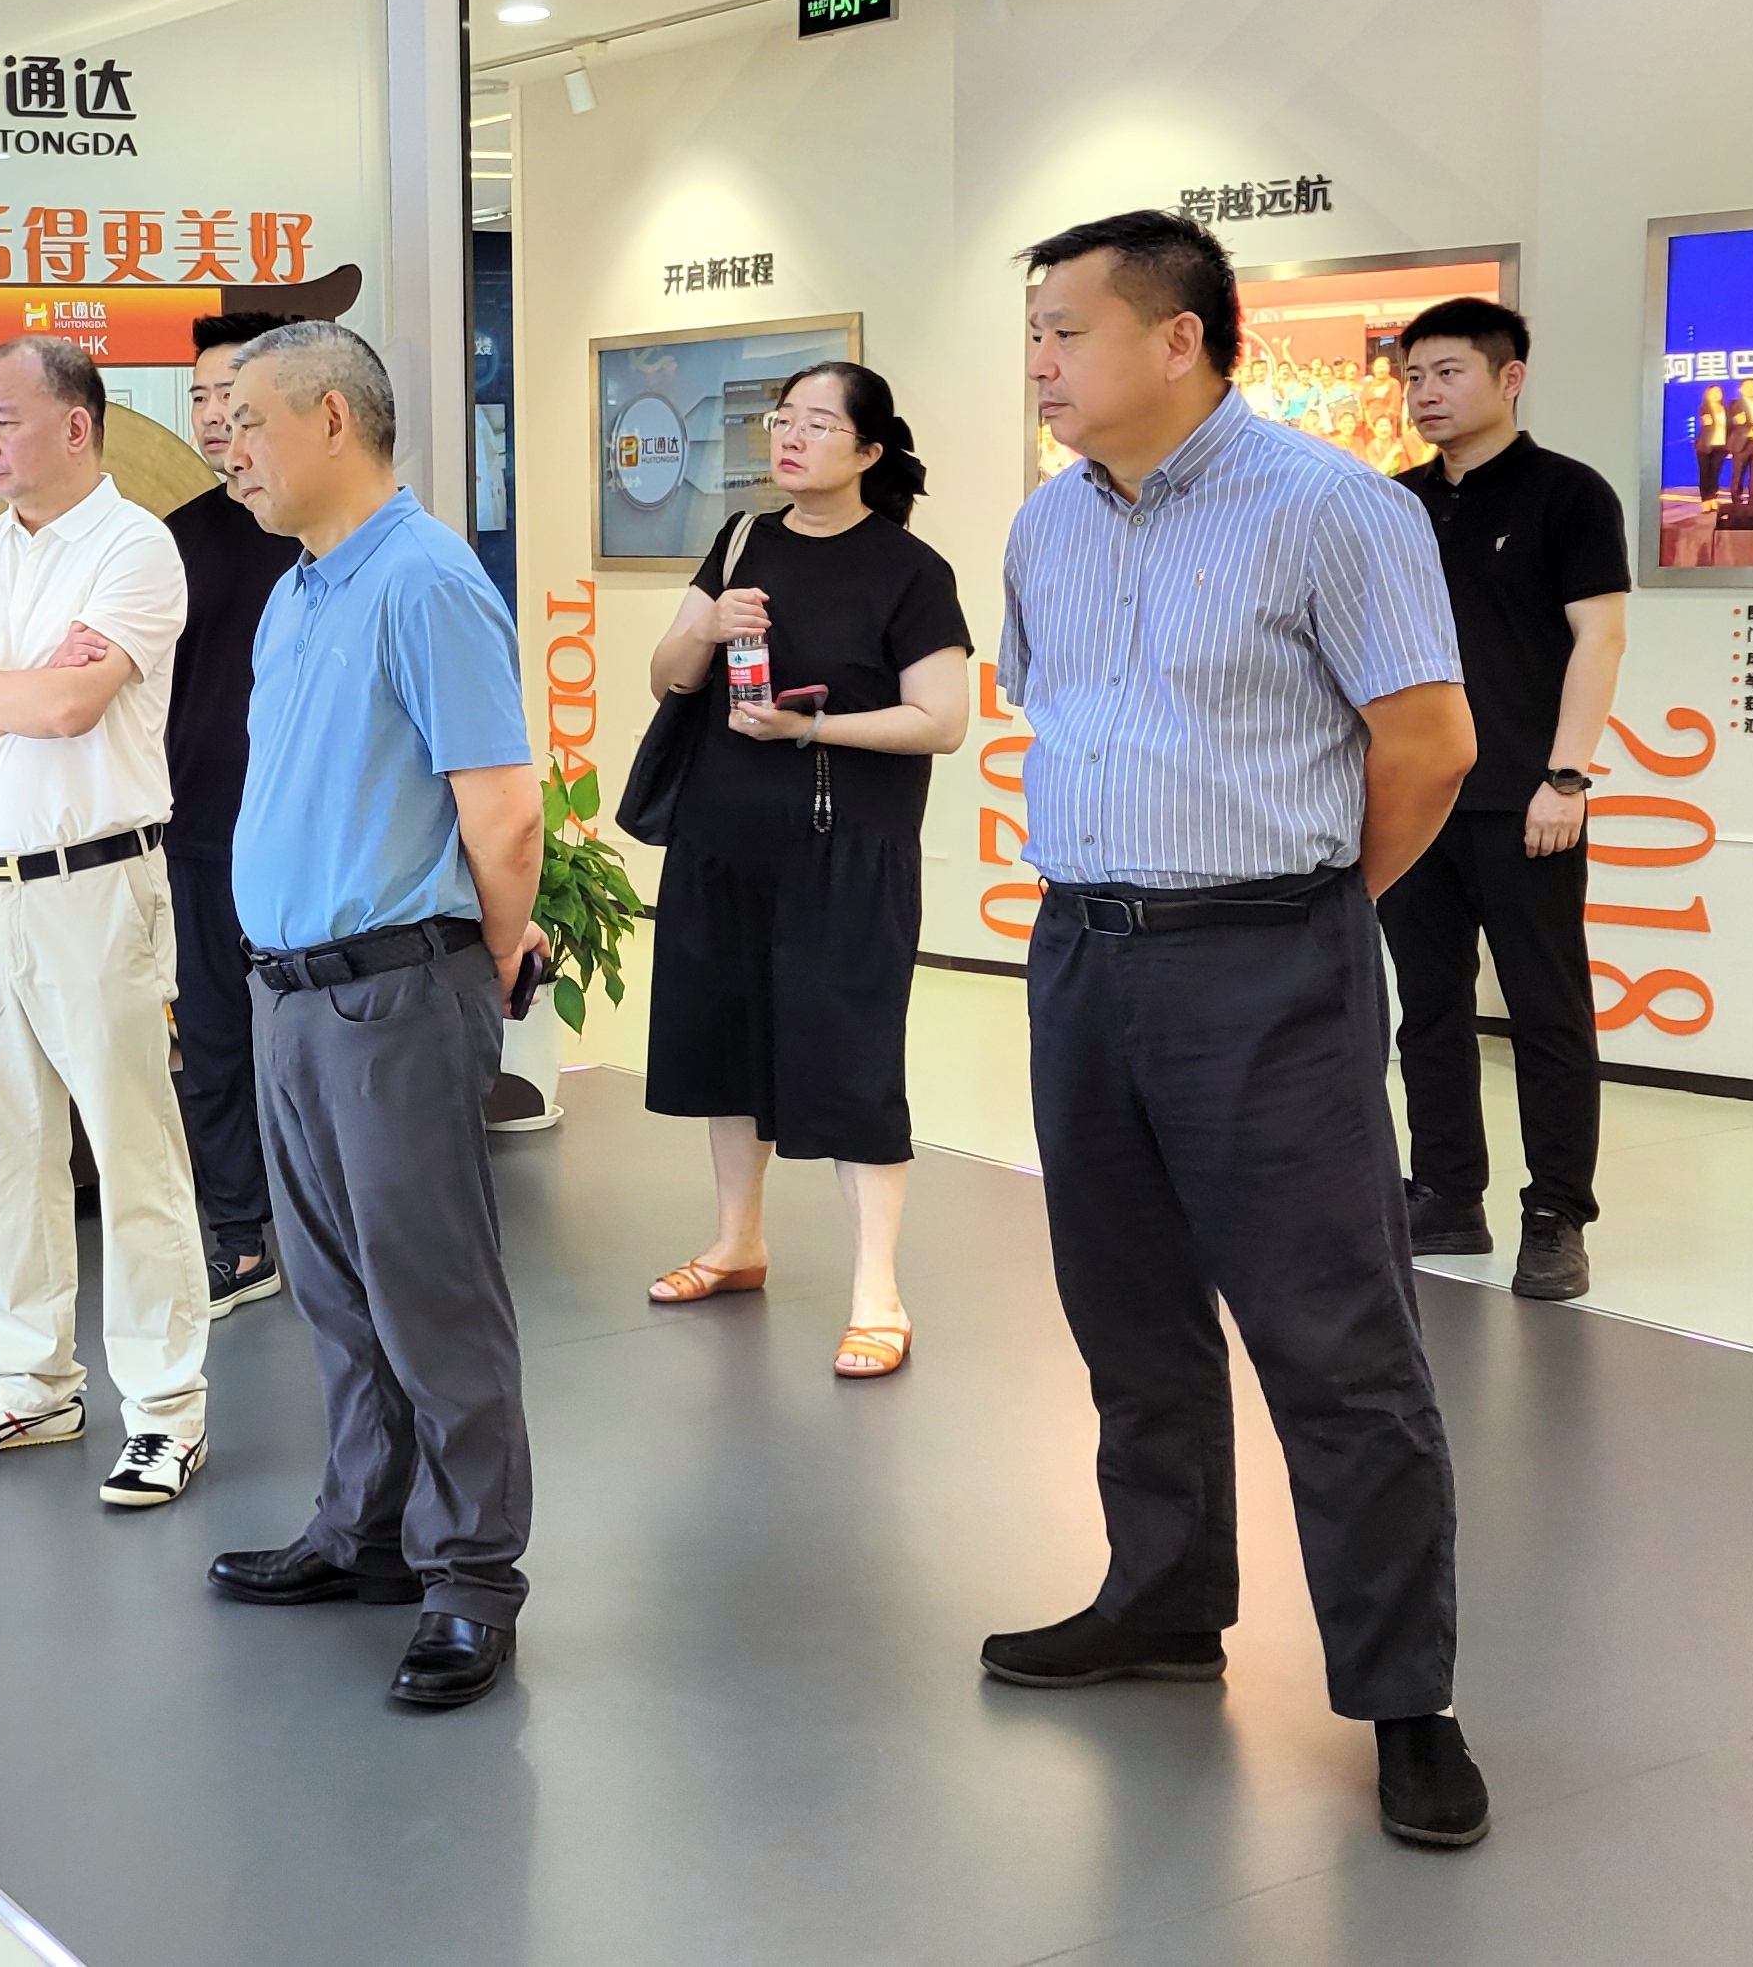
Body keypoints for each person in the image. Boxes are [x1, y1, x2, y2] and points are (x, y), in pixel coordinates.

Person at [992, 209, 1487, 1849]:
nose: (1040, 361)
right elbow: (1059, 709)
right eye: (1033, 333)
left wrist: (1312, 909)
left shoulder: (1331, 509)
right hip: (1083, 950)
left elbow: (1427, 744)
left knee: (1333, 1337)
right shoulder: (1045, 525)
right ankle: (1159, 1596)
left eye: (1065, 330)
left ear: (1179, 339)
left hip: (1269, 957)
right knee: (1126, 1309)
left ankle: (1404, 1697)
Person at [199, 320, 543, 1711]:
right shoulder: (299, 593)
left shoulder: (426, 579)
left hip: (397, 989)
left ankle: (471, 1578)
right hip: (290, 994)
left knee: (430, 1295)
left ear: (333, 420)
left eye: (248, 423)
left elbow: (502, 810)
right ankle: (368, 1530)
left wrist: (496, 962)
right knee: (337, 1293)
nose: (228, 448)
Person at [0, 333, 212, 1507]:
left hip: (96, 885)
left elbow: (73, 711)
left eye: (3, 420)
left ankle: (166, 1411)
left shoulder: (136, 548)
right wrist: (18, 688)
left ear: (76, 425)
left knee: (132, 1152)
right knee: (2, 1152)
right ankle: (31, 1385)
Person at [637, 361, 970, 1377]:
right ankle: (737, 1242)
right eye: (784, 419)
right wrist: (707, 628)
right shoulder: (742, 540)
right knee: (727, 1042)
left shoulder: (910, 571)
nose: (790, 437)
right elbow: (665, 677)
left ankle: (878, 1292)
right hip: (724, 839)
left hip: (847, 852)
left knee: (852, 1057)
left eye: (818, 425)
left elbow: (942, 722)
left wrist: (812, 728)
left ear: (868, 451)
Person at [1380, 299, 1630, 1301]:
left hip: (1528, 797)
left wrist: (1566, 775)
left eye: (1447, 373)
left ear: (1508, 377)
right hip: (1412, 799)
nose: (1425, 394)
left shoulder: (1568, 493)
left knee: (1547, 1011)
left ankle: (1557, 1214)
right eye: (1413, 377)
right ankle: (1446, 1194)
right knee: (1427, 1009)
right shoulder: (1395, 504)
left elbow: (1600, 638)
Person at [170, 310, 304, 1317]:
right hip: (202, 830)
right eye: (202, 397)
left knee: (318, 1039)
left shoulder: (324, 535)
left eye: (233, 395)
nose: (216, 416)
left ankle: (333, 1226)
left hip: (311, 835)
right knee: (214, 1038)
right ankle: (239, 1234)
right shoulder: (173, 538)